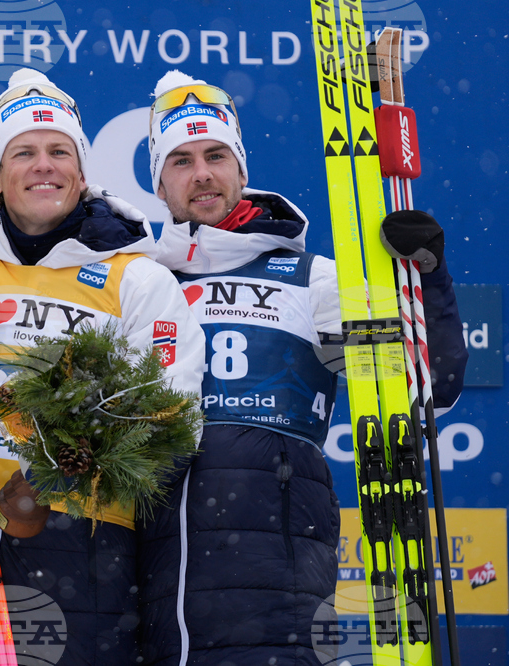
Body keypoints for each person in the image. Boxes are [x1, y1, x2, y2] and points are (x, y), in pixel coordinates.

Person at [136, 70, 468, 666]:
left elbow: (426, 390)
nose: (202, 174)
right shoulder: (140, 281)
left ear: (242, 168)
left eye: (216, 155)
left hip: (274, 554)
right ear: (160, 183)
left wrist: (427, 276)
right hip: (151, 555)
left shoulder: (312, 276)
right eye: (181, 161)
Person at [0, 68, 206, 664]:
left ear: (82, 176)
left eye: (60, 151)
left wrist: (52, 478)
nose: (44, 165)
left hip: (81, 539)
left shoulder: (137, 276)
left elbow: (172, 412)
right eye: (23, 153)